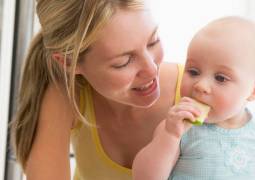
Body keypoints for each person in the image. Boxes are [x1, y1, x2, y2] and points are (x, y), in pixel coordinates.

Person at [11, 0, 185, 179]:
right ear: (70, 62)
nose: (151, 69)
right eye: (123, 62)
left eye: (153, 42)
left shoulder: (201, 94)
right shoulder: (69, 93)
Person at [132, 16, 255, 180]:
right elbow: (145, 177)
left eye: (221, 78)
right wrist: (170, 136)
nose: (200, 86)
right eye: (193, 71)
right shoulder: (177, 128)